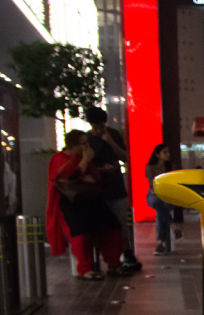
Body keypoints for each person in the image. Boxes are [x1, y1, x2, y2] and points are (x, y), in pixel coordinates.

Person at [47, 130, 124, 279]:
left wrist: (87, 171)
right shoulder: (60, 158)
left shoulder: (84, 158)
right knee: (81, 234)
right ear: (73, 145)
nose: (87, 147)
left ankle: (114, 264)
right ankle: (85, 268)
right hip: (71, 202)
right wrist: (84, 163)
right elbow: (67, 176)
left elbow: (92, 176)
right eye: (83, 143)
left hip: (91, 199)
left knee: (112, 227)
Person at [85, 106, 141, 272]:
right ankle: (98, 259)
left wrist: (109, 140)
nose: (98, 130)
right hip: (96, 189)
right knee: (97, 225)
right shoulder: (87, 139)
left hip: (116, 187)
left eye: (101, 126)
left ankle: (127, 254)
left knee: (122, 223)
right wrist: (99, 169)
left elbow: (125, 157)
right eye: (95, 127)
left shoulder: (113, 134)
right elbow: (86, 161)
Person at [145, 144, 176, 255]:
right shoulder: (150, 167)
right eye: (165, 152)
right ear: (157, 155)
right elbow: (153, 185)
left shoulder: (171, 167)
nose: (168, 154)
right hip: (155, 195)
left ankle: (160, 244)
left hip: (168, 196)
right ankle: (171, 224)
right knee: (160, 204)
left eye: (168, 152)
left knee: (161, 211)